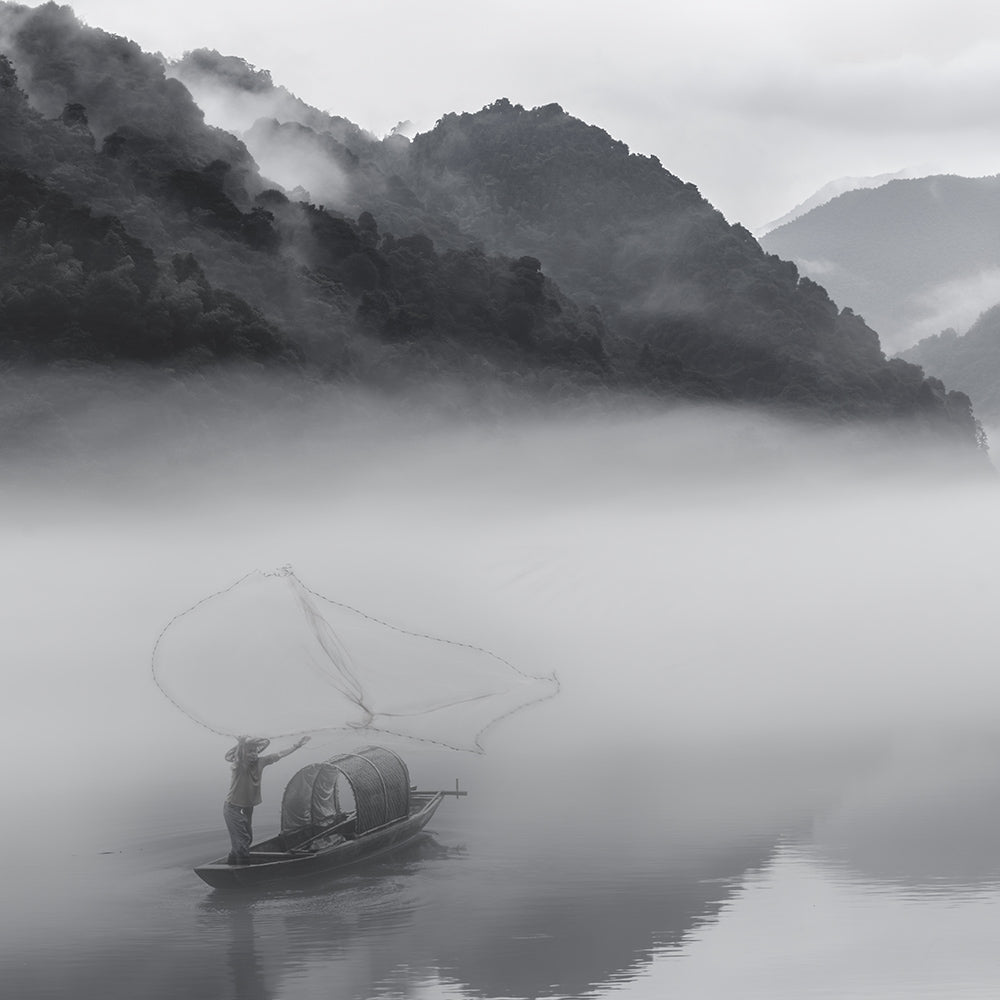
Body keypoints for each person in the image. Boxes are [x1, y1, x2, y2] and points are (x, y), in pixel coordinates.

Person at [223, 734, 310, 865]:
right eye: (249, 752)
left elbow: (280, 754)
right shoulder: (238, 766)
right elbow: (239, 758)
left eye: (254, 751)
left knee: (246, 840)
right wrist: (241, 743)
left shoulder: (261, 762)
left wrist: (296, 746)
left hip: (247, 808)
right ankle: (243, 871)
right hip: (232, 809)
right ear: (242, 753)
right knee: (242, 842)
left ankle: (230, 865)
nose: (253, 754)